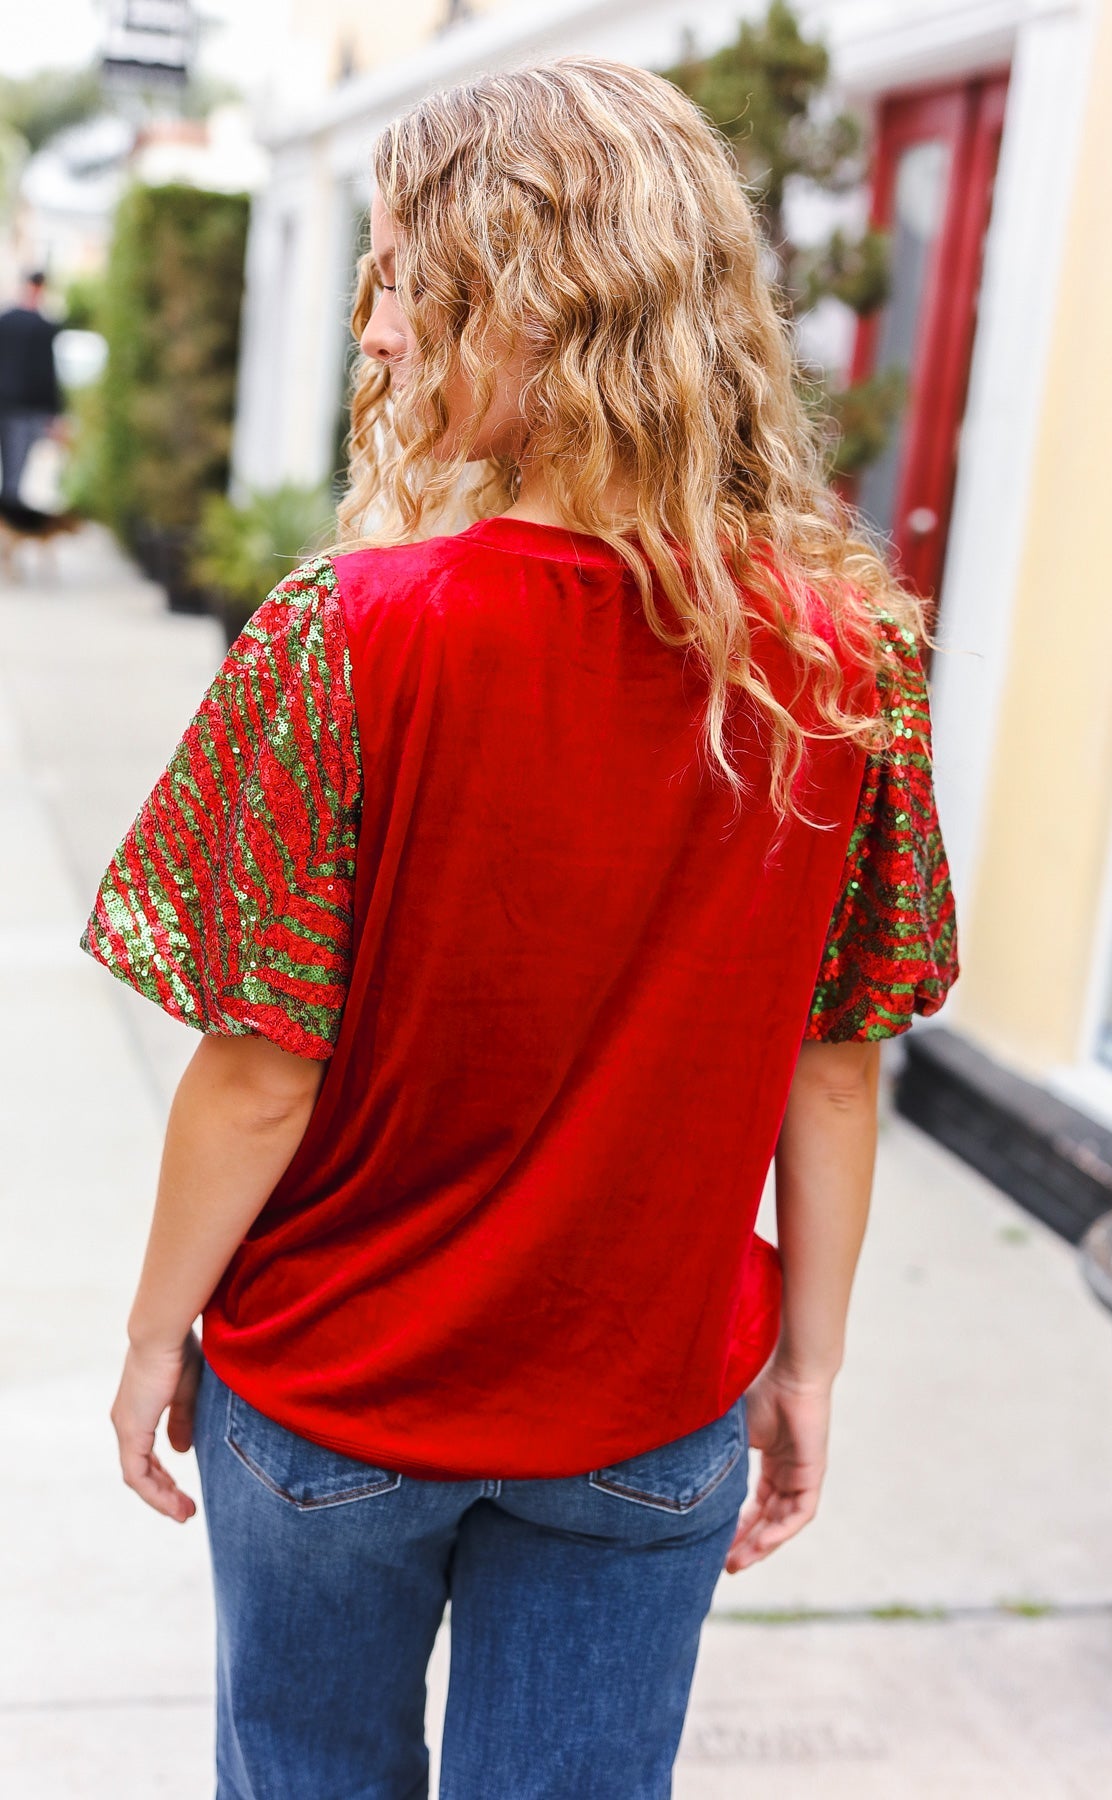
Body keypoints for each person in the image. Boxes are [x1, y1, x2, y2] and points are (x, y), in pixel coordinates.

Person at [80, 57, 960, 1800]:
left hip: (338, 1391)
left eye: (404, 276)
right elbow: (840, 1061)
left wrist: (152, 1331)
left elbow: (259, 1066)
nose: (377, 330)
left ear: (532, 306)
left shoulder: (357, 631)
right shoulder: (842, 660)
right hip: (646, 1404)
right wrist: (813, 1364)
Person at [0, 270, 65, 503]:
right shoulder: (43, 327)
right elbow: (47, 372)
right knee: (13, 474)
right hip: (23, 409)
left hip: (6, 403)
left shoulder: (4, 320)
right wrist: (55, 412)